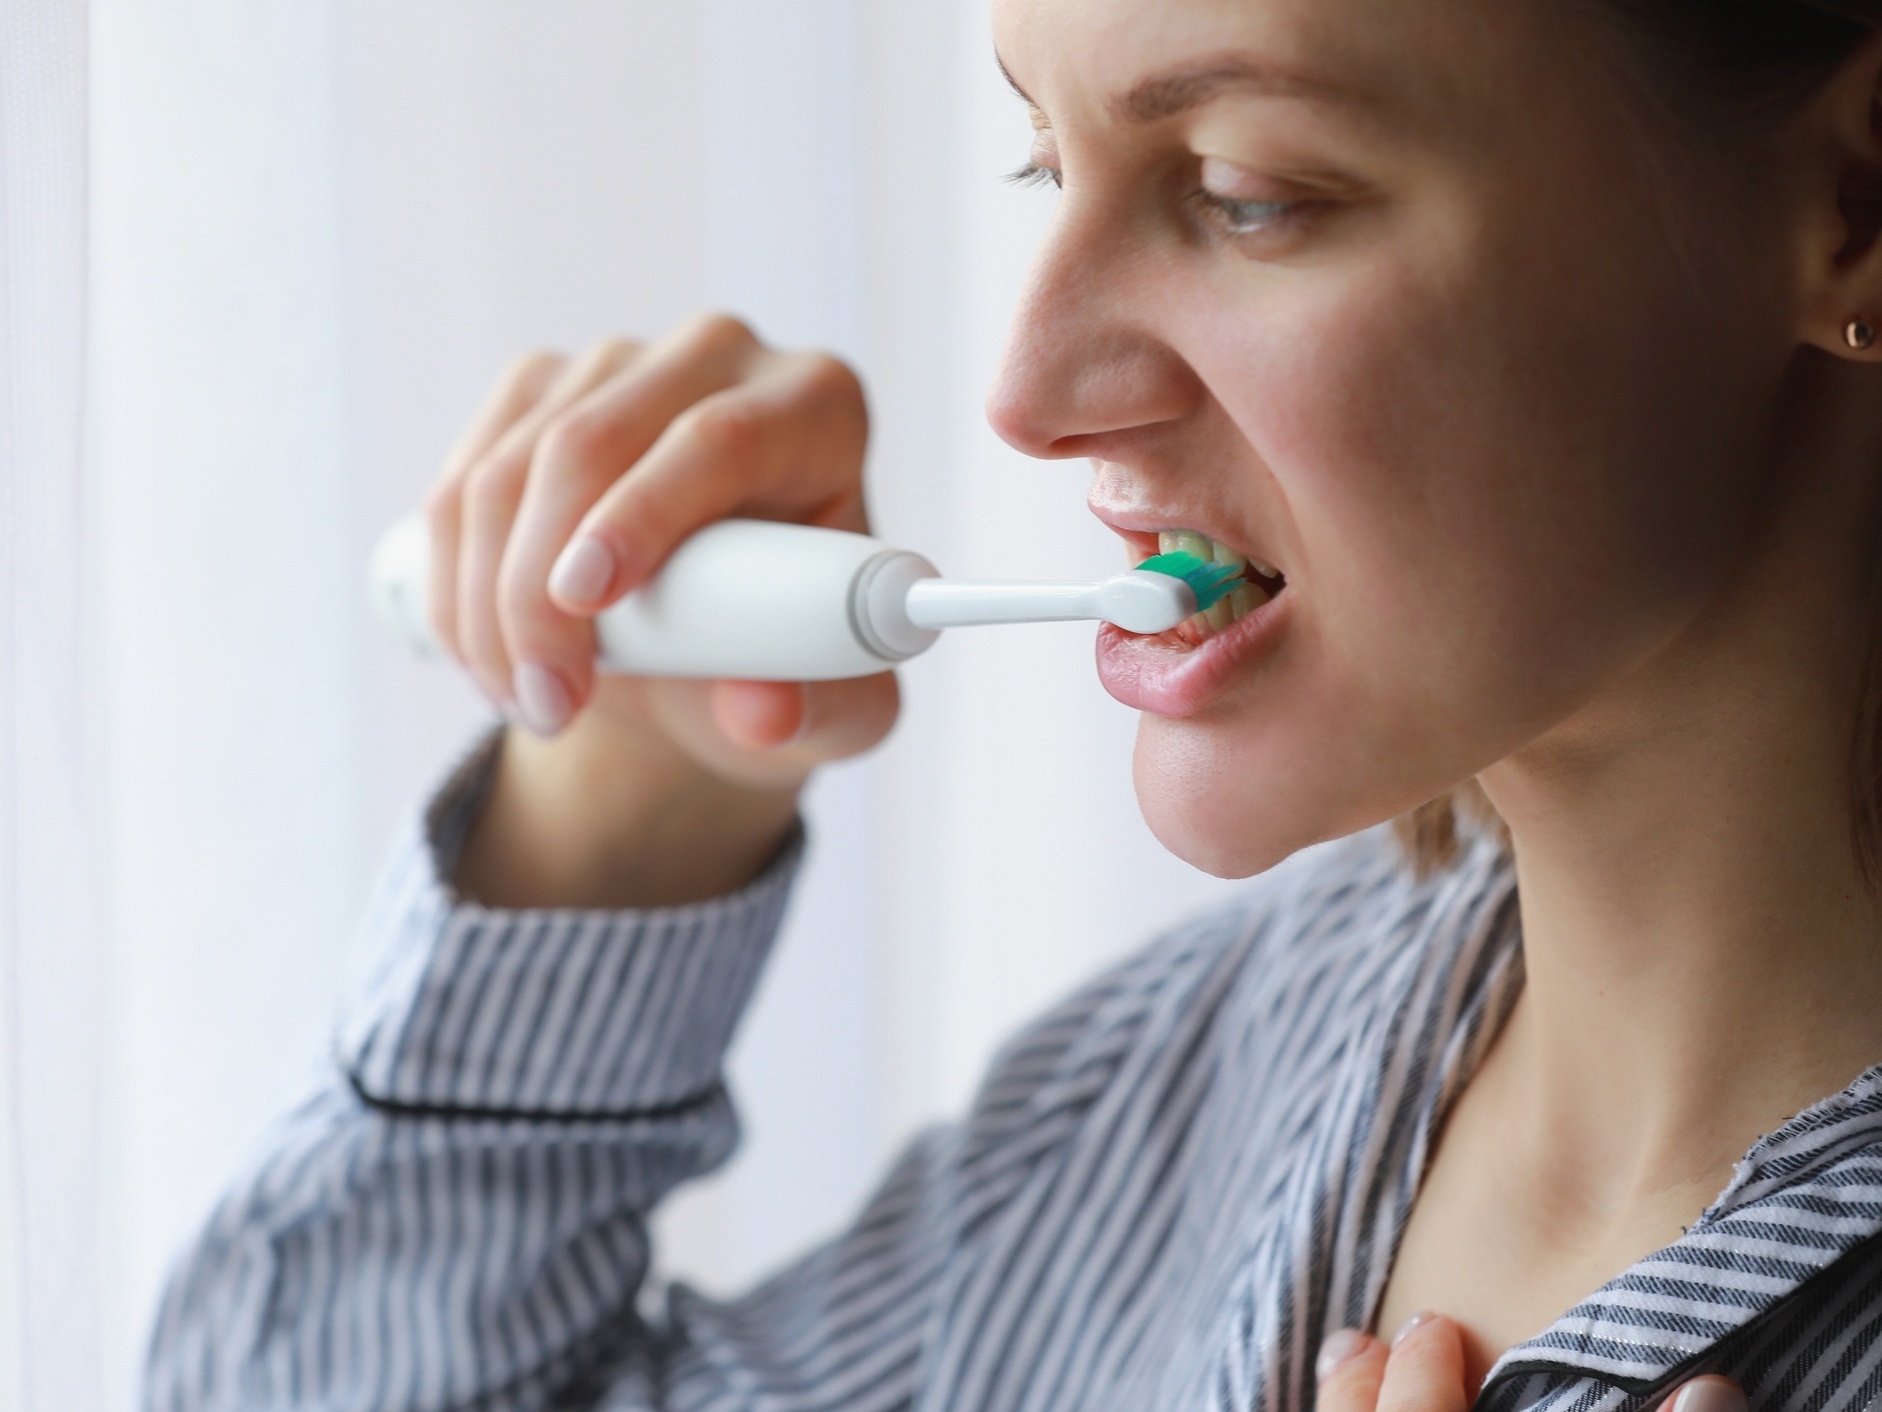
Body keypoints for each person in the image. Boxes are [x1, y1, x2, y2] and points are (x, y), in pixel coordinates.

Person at [144, 0, 1882, 1408]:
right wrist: (636, 784)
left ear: (1854, 198)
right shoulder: (1213, 1073)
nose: (1025, 391)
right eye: (1043, 160)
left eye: (1246, 187)